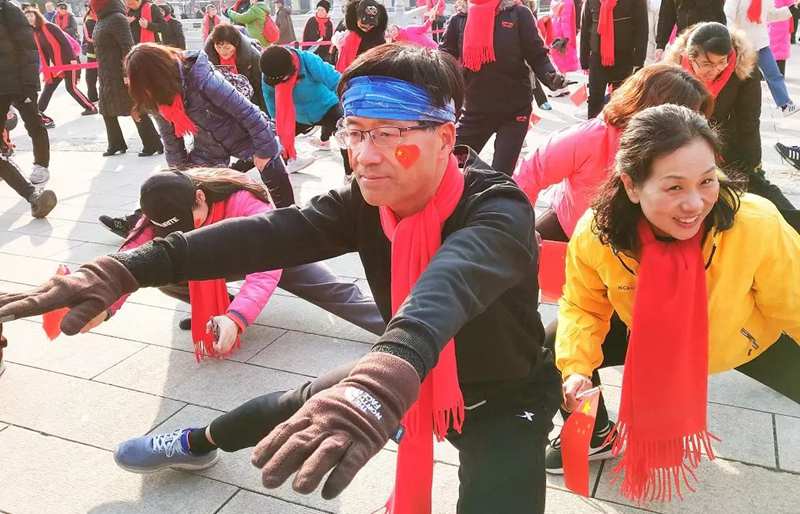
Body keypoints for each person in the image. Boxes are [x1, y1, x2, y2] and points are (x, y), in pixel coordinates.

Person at [0, 44, 562, 514]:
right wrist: (125, 267)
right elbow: (271, 233)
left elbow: (449, 284)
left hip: (501, 393)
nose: (365, 156)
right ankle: (197, 441)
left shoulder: (498, 209)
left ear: (445, 136)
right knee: (293, 405)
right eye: (355, 132)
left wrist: (381, 376)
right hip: (398, 369)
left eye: (390, 133)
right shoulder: (364, 201)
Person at [544, 105, 799, 501]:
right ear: (631, 186)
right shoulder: (598, 233)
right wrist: (577, 370)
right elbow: (583, 306)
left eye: (707, 181)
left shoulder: (754, 224)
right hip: (647, 331)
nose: (695, 203)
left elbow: (795, 302)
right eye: (674, 187)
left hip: (743, 336)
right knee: (552, 348)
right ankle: (596, 435)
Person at [91, 168, 384, 344]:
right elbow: (130, 260)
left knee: (330, 289)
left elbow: (266, 266)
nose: (186, 230)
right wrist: (103, 306)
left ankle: (397, 330)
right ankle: (216, 313)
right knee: (162, 271)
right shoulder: (159, 211)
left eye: (189, 221)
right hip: (212, 259)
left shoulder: (243, 200)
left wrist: (238, 318)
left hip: (266, 253)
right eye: (175, 229)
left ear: (200, 197)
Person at [514, 64, 712, 241]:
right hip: (569, 234)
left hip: (630, 246)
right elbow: (529, 174)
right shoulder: (591, 138)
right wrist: (521, 227)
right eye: (686, 117)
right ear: (651, 109)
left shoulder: (686, 154)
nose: (690, 129)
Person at [126, 43, 294, 208]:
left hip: (245, 134)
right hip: (208, 147)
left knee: (271, 164)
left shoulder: (201, 78)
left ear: (157, 76)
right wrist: (182, 179)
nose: (146, 92)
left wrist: (264, 152)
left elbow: (248, 113)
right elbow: (172, 143)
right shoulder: (157, 98)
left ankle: (290, 213)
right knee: (192, 191)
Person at [664, 22, 798, 217]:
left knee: (760, 196)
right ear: (690, 57)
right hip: (684, 149)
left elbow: (749, 121)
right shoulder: (673, 74)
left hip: (728, 144)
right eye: (707, 64)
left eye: (722, 62)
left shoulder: (744, 70)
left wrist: (752, 164)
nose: (716, 70)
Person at [441, 0, 568, 175]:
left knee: (501, 176)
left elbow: (537, 55)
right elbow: (444, 58)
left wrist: (551, 76)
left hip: (514, 113)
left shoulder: (518, 14)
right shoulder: (459, 19)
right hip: (474, 112)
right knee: (448, 163)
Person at [0, 4, 57, 219]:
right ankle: (33, 195)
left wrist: (28, 84)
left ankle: (41, 165)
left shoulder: (7, 10)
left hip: (19, 83)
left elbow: (28, 49)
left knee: (34, 123)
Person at [259, 45, 348, 173]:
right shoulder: (270, 74)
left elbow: (336, 81)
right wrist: (276, 123)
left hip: (326, 107)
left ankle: (350, 173)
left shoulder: (307, 60)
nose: (282, 83)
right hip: (296, 116)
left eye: (285, 79)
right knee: (272, 139)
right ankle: (290, 160)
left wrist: (350, 102)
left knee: (345, 133)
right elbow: (271, 101)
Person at [90, 0, 162, 157]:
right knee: (106, 110)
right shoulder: (101, 20)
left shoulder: (118, 18)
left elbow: (127, 46)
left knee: (134, 107)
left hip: (120, 73)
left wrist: (127, 73)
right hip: (106, 73)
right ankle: (116, 143)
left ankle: (152, 143)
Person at [725, 0, 799, 116]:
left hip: (761, 43)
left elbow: (770, 14)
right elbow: (728, 16)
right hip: (741, 44)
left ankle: (785, 104)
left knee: (774, 74)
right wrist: (732, 37)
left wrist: (792, 9)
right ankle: (729, 108)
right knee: (737, 77)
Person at [580, 0, 648, 119]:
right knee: (595, 99)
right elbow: (585, 28)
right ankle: (595, 129)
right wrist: (584, 60)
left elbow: (642, 28)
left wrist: (639, 60)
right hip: (597, 57)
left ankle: (617, 130)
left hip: (624, 57)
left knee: (621, 101)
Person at [24, 7, 97, 117]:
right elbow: (44, 52)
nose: (29, 18)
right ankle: (38, 113)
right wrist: (47, 68)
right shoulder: (35, 33)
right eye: (27, 17)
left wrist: (72, 60)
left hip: (68, 62)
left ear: (37, 16)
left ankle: (91, 108)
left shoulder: (49, 26)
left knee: (71, 88)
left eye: (31, 16)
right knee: (49, 87)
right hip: (57, 66)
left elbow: (66, 43)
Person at [205, 23, 264, 111]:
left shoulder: (253, 56)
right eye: (218, 47)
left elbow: (260, 87)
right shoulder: (207, 58)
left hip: (248, 103)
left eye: (227, 48)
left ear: (236, 44)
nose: (222, 51)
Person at [655, 0, 725, 60]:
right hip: (683, 43)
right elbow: (667, 14)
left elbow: (719, 14)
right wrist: (660, 45)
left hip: (709, 42)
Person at [332, 0, 387, 72]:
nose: (367, 27)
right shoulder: (350, 36)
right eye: (363, 25)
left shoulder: (379, 38)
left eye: (371, 25)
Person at [549, 0, 579, 73]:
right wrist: (567, 38)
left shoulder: (556, 2)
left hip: (555, 34)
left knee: (559, 66)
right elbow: (565, 21)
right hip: (563, 37)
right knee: (567, 67)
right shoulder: (567, 1)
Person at [768, 0, 795, 77]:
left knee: (780, 50)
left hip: (781, 24)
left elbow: (792, 8)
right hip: (770, 23)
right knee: (769, 49)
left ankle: (779, 73)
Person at [82, 4, 98, 101]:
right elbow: (89, 38)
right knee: (91, 77)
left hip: (98, 51)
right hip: (93, 52)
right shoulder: (89, 21)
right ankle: (93, 98)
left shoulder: (98, 19)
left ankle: (94, 97)